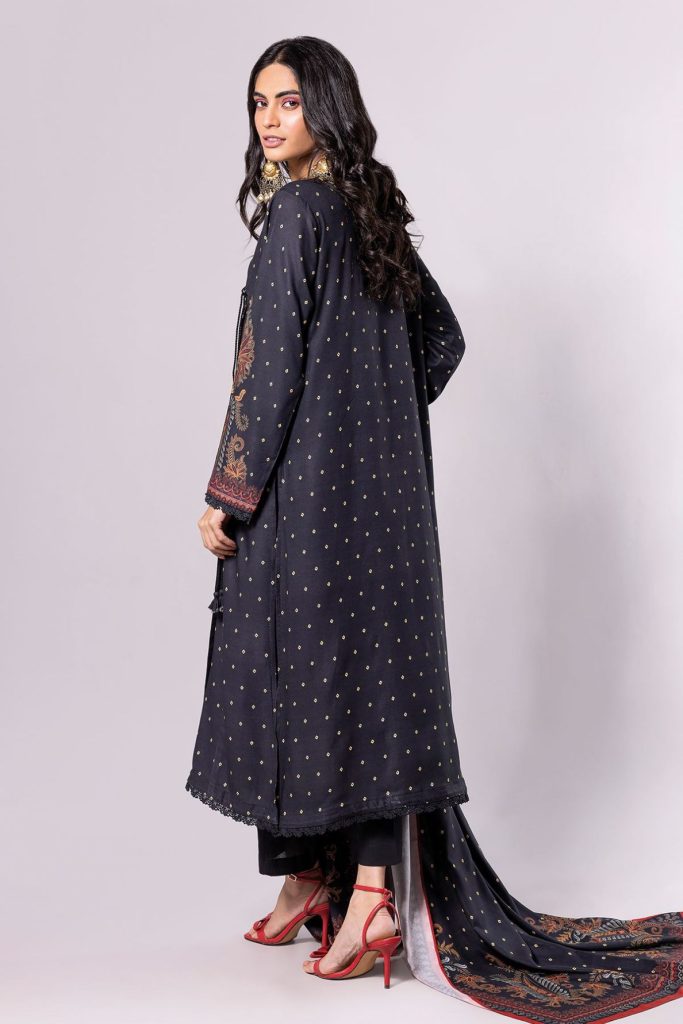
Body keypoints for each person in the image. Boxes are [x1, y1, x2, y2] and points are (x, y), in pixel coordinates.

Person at [187, 36, 683, 1014]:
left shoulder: (295, 218)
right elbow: (441, 340)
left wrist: (228, 494)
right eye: (259, 103)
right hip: (386, 510)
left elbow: (268, 375)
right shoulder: (367, 213)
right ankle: (340, 886)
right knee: (364, 681)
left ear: (326, 107)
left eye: (288, 101)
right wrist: (370, 415)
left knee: (295, 674)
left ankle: (341, 891)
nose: (270, 120)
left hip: (304, 505)